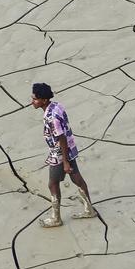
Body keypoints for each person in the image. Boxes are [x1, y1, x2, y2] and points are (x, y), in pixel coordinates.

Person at [31, 82, 96, 227]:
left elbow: (61, 138)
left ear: (44, 100)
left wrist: (65, 162)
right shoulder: (57, 106)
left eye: (35, 99)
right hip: (70, 148)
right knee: (76, 178)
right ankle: (89, 209)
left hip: (59, 153)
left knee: (52, 183)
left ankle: (56, 218)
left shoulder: (51, 117)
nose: (32, 102)